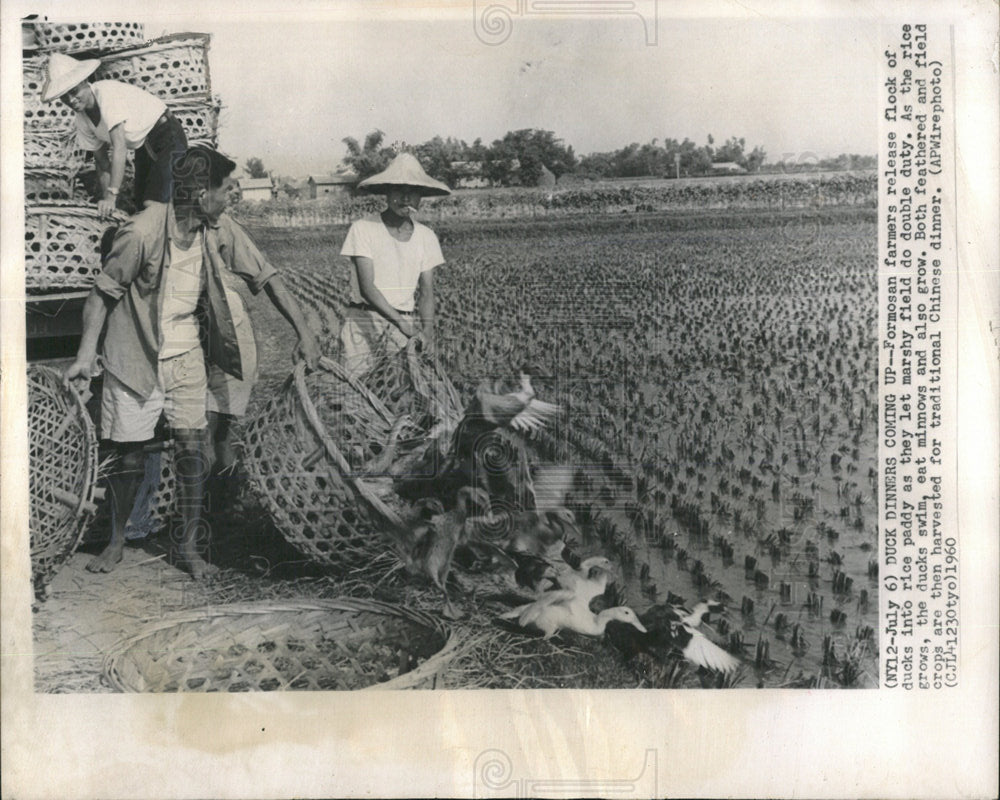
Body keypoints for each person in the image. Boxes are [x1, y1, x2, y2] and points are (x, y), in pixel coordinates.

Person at [63, 146, 320, 578]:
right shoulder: (141, 233)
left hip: (186, 354)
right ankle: (116, 540)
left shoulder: (217, 229)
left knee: (192, 449)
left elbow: (266, 276)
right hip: (135, 353)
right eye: (226, 189)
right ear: (201, 194)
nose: (230, 197)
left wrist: (305, 331)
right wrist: (87, 352)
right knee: (128, 458)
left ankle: (187, 548)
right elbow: (102, 294)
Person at [339, 152, 450, 377]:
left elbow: (427, 292)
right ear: (387, 192)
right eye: (399, 190)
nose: (406, 199)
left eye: (413, 192)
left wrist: (427, 330)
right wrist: (403, 325)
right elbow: (367, 288)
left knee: (401, 397)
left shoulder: (426, 236)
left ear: (421, 197)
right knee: (356, 396)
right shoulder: (363, 228)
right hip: (364, 322)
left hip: (403, 328)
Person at [42, 52, 188, 216]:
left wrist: (112, 195)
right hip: (143, 143)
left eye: (74, 92)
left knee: (156, 202)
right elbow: (102, 161)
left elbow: (120, 147)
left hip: (165, 133)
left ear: (84, 81)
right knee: (141, 204)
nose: (71, 100)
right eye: (64, 98)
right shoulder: (82, 119)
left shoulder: (105, 94)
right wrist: (107, 202)